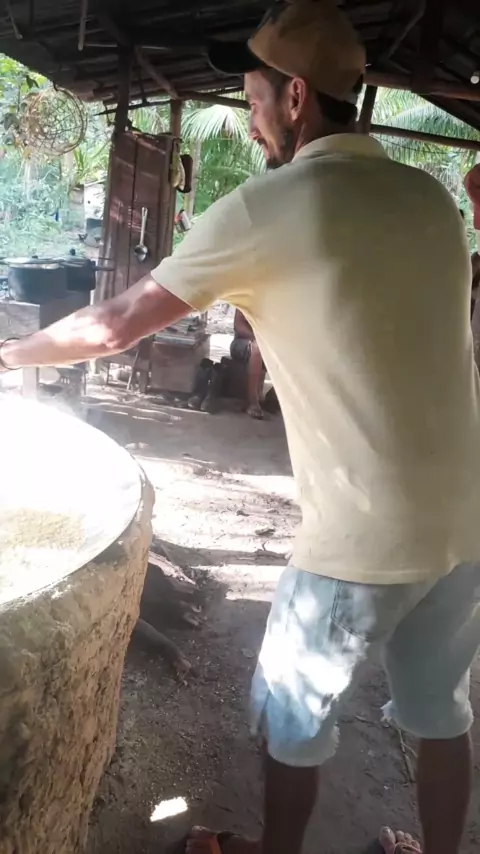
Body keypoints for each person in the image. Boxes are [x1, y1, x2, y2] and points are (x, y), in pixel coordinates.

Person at [0, 2, 479, 853]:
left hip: (362, 535)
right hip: (467, 519)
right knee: (441, 710)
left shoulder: (269, 207)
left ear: (296, 97)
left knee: (291, 716)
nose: (250, 121)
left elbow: (114, 327)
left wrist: (11, 353)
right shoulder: (431, 198)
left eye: (254, 100)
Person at [230, 309, 265, 418]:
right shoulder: (247, 299)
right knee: (257, 348)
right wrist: (257, 338)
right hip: (243, 341)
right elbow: (238, 325)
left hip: (267, 343)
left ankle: (276, 396)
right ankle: (252, 400)